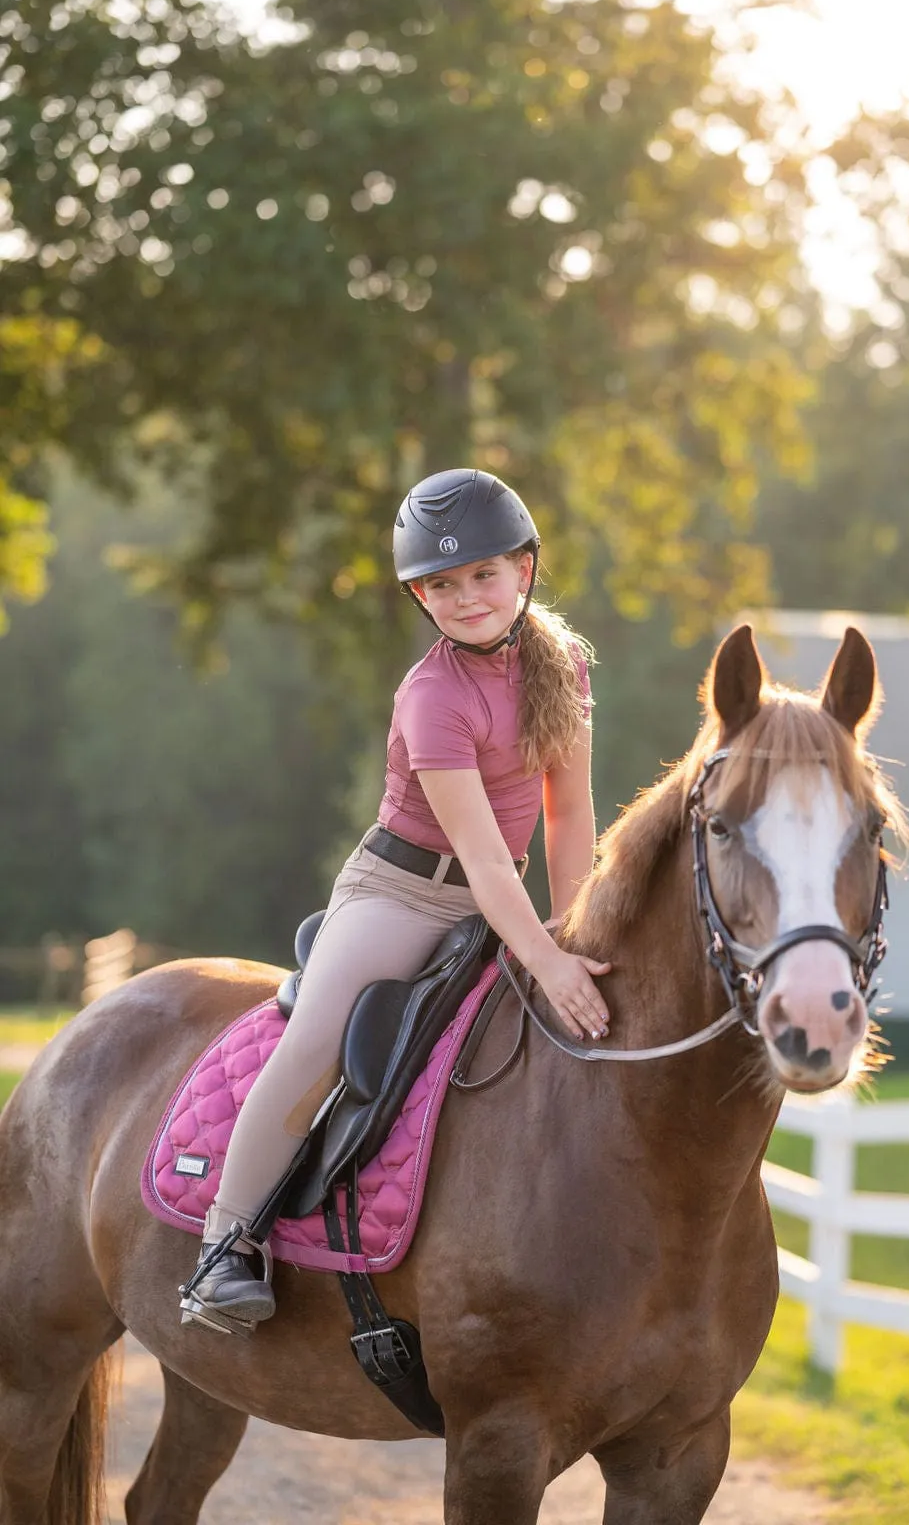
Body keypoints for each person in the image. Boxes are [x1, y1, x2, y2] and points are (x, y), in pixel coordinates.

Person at [184, 467, 611, 1328]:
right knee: (319, 1039)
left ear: (524, 570)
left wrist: (574, 929)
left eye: (484, 574)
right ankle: (225, 1244)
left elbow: (570, 820)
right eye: (442, 586)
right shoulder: (433, 696)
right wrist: (545, 958)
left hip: (499, 893)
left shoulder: (560, 665)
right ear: (422, 599)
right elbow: (486, 863)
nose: (467, 598)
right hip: (403, 892)